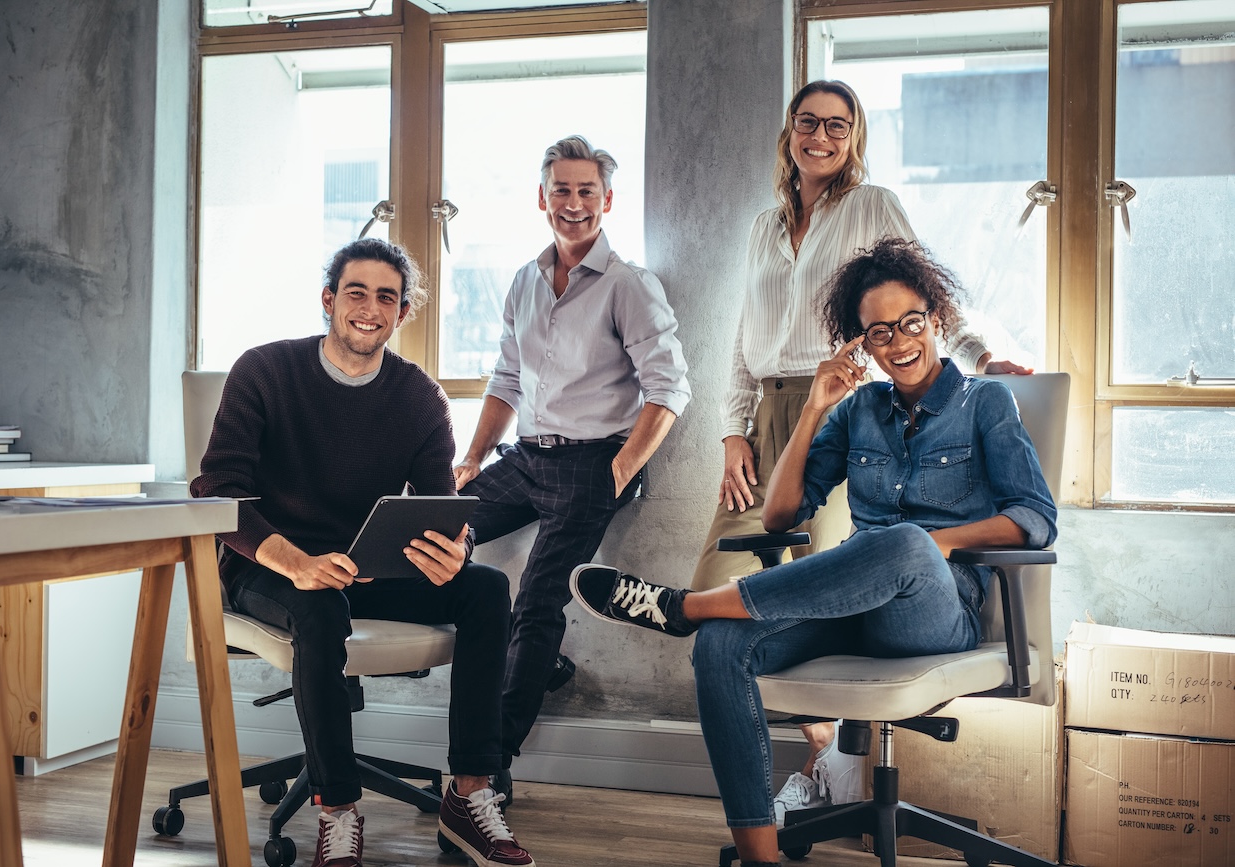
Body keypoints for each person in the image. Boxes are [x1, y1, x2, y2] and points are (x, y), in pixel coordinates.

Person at [569, 238, 1058, 867]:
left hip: (938, 613)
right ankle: (760, 857)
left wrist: (938, 542)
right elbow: (779, 515)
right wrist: (813, 408)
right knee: (723, 646)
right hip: (857, 606)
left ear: (935, 320)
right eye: (878, 332)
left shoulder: (985, 402)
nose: (899, 342)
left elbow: (1035, 520)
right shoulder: (858, 410)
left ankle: (690, 604)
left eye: (910, 323)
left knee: (903, 543)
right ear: (862, 344)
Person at [689, 79, 1031, 813]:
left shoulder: (871, 208)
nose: (822, 136)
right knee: (745, 579)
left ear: (855, 136)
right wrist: (732, 430)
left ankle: (828, 768)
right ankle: (821, 773)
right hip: (791, 412)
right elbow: (742, 340)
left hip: (852, 394)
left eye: (838, 125)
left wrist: (977, 356)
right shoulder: (761, 226)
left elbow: (915, 296)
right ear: (788, 132)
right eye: (808, 122)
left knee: (861, 565)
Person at [192, 237, 534, 867]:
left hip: (364, 566)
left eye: (387, 297)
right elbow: (218, 491)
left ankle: (470, 795)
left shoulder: (419, 398)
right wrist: (294, 561)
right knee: (319, 605)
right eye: (356, 291)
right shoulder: (265, 371)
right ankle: (338, 809)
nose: (370, 307)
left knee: (485, 589)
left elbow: (442, 506)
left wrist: (455, 549)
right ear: (328, 300)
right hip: (268, 564)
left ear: (402, 314)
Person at [454, 135, 692, 781]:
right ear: (543, 197)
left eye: (587, 191)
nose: (574, 202)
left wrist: (619, 467)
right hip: (526, 458)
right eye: (562, 189)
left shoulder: (629, 285)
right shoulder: (524, 281)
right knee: (434, 534)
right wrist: (472, 456)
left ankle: (490, 764)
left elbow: (670, 387)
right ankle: (543, 663)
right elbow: (507, 379)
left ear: (607, 200)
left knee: (536, 602)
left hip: (593, 465)